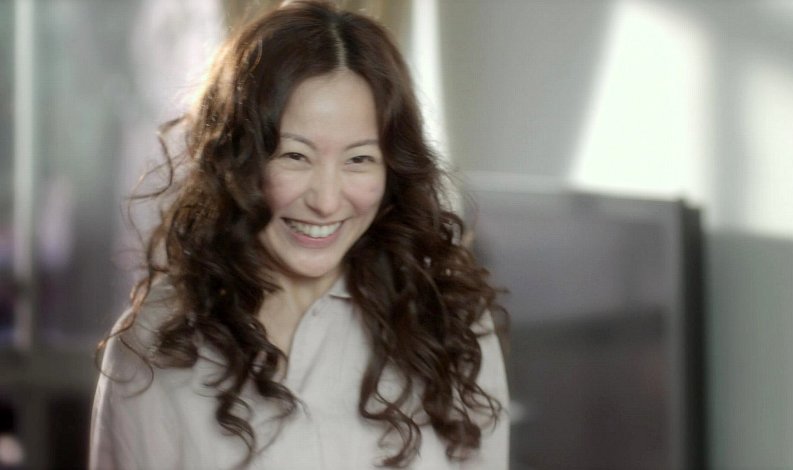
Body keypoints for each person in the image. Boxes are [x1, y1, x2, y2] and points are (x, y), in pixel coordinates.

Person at [89, 1, 509, 469]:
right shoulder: (156, 344)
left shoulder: (450, 323)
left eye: (359, 159)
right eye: (294, 156)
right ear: (238, 159)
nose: (326, 201)